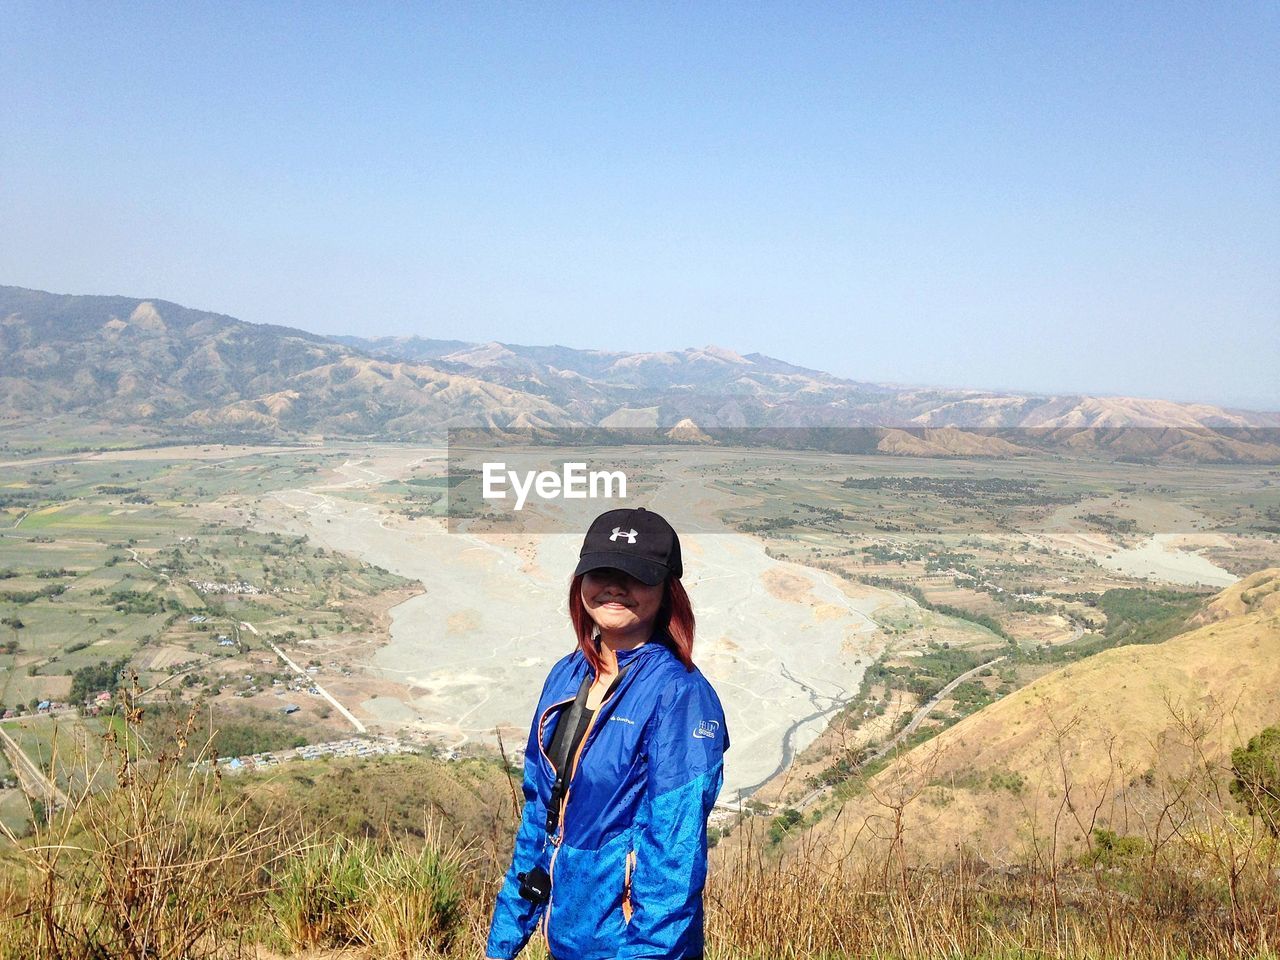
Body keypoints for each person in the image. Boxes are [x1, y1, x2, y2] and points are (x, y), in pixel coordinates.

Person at [485, 506, 729, 960]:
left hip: (630, 947)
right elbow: (540, 818)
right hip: (569, 940)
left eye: (636, 575)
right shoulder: (567, 674)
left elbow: (673, 861)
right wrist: (500, 945)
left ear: (666, 591)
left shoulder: (680, 696)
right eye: (601, 571)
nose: (615, 586)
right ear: (580, 581)